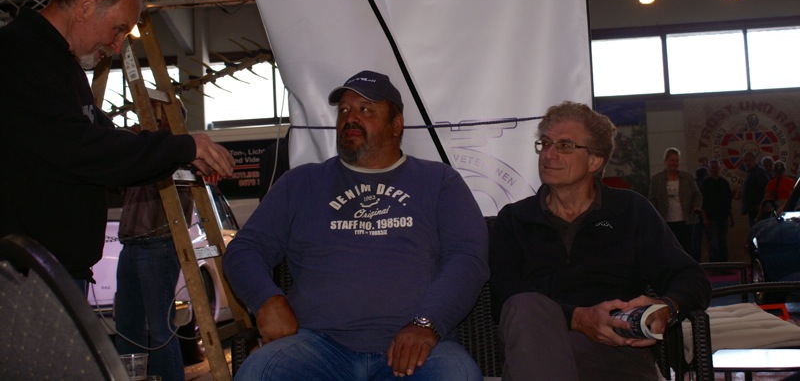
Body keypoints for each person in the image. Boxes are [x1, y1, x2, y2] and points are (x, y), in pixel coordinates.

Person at [222, 70, 489, 380]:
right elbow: (244, 250)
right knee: (260, 372)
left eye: (365, 109)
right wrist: (267, 299)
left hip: (415, 346)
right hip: (316, 345)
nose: (350, 118)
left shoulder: (439, 181)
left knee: (457, 375)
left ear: (396, 125)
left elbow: (468, 258)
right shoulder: (302, 183)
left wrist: (427, 323)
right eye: (344, 110)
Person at [0, 0, 235, 291]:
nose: (116, 45)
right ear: (86, 5)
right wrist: (182, 147)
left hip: (51, 270)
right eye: (118, 29)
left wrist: (182, 155)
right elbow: (80, 148)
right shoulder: (18, 54)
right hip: (24, 275)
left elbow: (105, 142)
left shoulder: (63, 64)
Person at [489, 101, 710, 380]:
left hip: (615, 353)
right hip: (536, 349)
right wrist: (577, 318)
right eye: (544, 144)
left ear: (595, 161)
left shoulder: (630, 211)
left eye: (565, 146)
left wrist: (668, 306)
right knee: (525, 306)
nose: (548, 154)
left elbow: (691, 278)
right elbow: (502, 297)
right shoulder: (515, 220)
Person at [115, 101, 194, 381]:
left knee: (160, 329)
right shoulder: (146, 151)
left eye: (156, 114)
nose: (147, 119)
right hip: (132, 245)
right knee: (128, 327)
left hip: (157, 245)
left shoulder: (177, 152)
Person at [648, 148, 703, 259]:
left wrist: (696, 206)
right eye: (672, 160)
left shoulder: (688, 177)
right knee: (668, 250)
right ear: (666, 161)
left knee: (687, 249)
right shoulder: (656, 179)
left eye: (677, 160)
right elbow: (652, 199)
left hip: (686, 221)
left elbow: (697, 195)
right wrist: (655, 217)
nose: (674, 163)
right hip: (666, 222)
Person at [700, 159, 734, 263]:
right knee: (714, 243)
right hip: (711, 218)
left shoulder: (724, 183)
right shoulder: (705, 184)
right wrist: (705, 218)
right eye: (712, 168)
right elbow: (702, 203)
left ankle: (724, 265)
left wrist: (731, 217)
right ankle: (714, 266)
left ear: (719, 168)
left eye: (716, 167)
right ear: (709, 169)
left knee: (723, 242)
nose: (714, 170)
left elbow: (728, 202)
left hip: (723, 217)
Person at [741, 152, 769, 226]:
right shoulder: (751, 173)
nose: (747, 163)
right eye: (745, 161)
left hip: (759, 210)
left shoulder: (759, 173)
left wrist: (761, 207)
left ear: (755, 160)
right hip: (754, 210)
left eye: (749, 160)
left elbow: (767, 190)